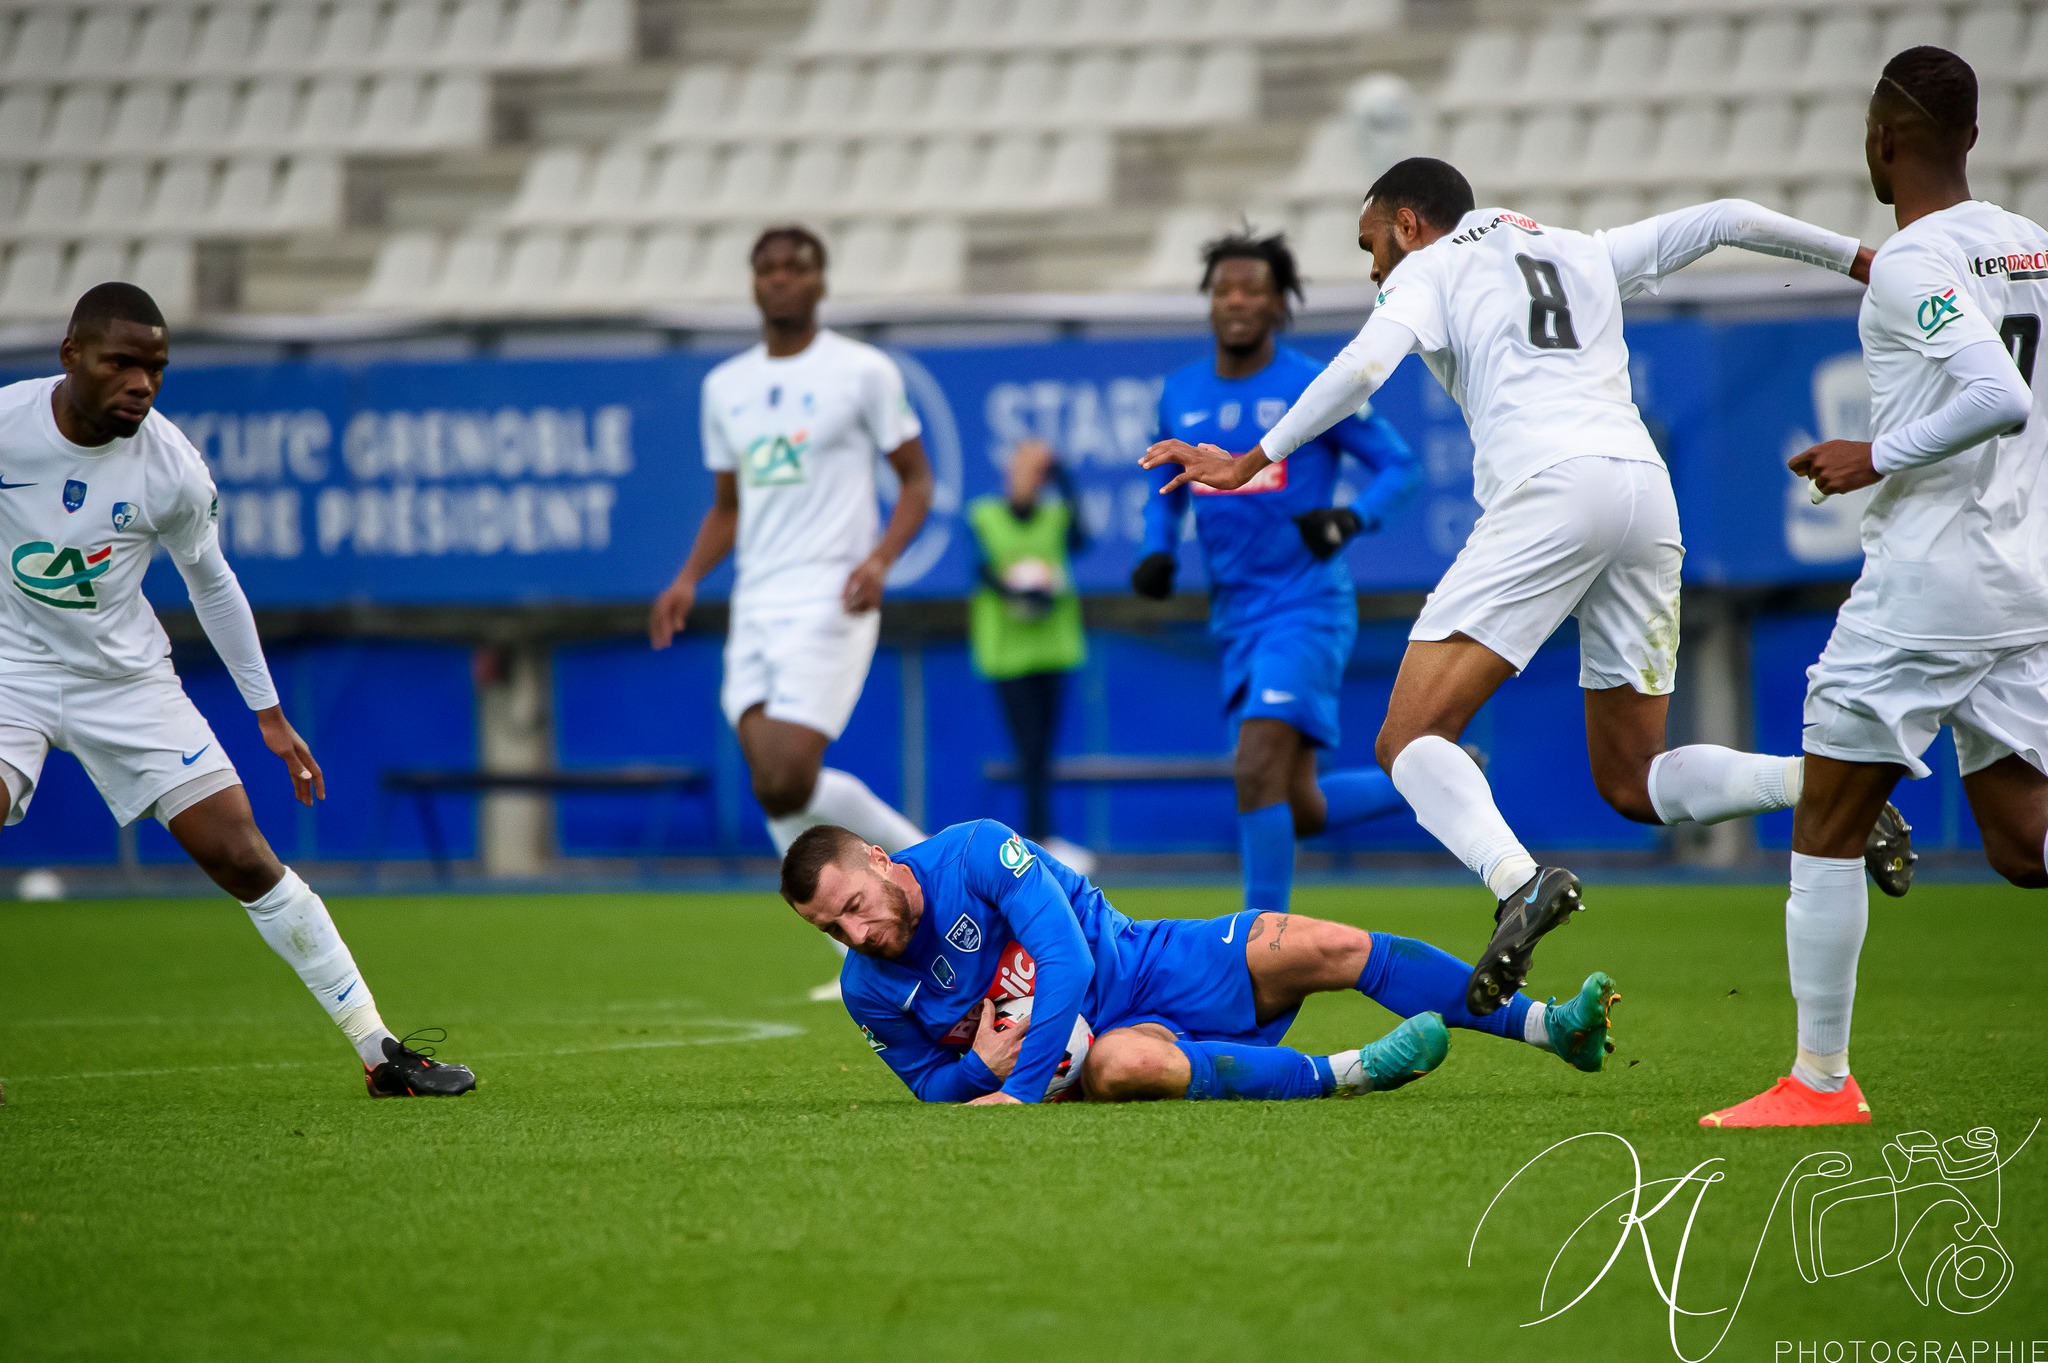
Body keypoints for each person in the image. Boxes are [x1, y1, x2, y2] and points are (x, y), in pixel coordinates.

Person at [1143, 161, 1914, 1020]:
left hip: (1551, 491)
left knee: (1408, 739)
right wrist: (1862, 259)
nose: (1372, 269)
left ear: (1408, 224)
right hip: (1643, 493)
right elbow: (1726, 216)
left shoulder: (1430, 267)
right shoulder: (1580, 249)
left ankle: (1518, 879)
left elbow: (1361, 369)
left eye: (1370, 246)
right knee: (1632, 778)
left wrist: (1249, 460)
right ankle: (1827, 779)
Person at [0, 283, 474, 1098]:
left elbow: (212, 584)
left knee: (242, 855)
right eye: (121, 363)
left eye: (155, 368)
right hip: (12, 668)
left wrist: (270, 716)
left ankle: (380, 1052)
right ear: (70, 353)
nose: (141, 383)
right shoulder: (8, 426)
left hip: (125, 682)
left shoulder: (172, 469)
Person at [1703, 48, 2045, 1129]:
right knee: (2021, 841)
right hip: (2024, 579)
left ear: (1880, 138)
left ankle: (1818, 1081)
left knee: (1827, 816)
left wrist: (1874, 453)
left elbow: (1998, 395)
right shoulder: (2030, 246)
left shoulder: (1913, 262)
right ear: (1972, 137)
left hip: (1932, 583)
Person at [779, 819, 1621, 1105]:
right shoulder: (867, 989)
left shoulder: (973, 852)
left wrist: (1018, 1089)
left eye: (853, 905)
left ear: (881, 860)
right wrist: (979, 1073)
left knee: (1328, 945)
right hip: (1098, 1046)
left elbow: (1066, 960)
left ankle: (1551, 1027)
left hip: (1147, 962)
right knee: (1124, 1067)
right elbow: (928, 1085)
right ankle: (1355, 1071)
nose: (856, 933)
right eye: (832, 928)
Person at [649, 225, 934, 1001]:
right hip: (756, 603)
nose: (780, 278)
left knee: (786, 774)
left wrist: (880, 560)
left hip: (832, 593)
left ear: (819, 281)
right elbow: (729, 505)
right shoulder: (725, 387)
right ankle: (859, 945)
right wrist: (687, 578)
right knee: (776, 788)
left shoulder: (863, 371)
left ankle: (934, 874)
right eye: (767, 268)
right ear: (753, 283)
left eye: (795, 267)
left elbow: (916, 480)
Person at [1133, 228, 1422, 917]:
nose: (1236, 300)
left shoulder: (1313, 383)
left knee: (1255, 766)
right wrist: (1158, 549)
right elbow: (1163, 489)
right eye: (1224, 289)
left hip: (1306, 604)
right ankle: (1441, 776)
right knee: (1296, 803)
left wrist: (1351, 518)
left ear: (1278, 303)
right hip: (1235, 617)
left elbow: (1400, 465)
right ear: (1209, 301)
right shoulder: (1179, 392)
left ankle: (1259, 945)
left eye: (1253, 289)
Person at [967, 436, 1094, 874]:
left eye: (1038, 473)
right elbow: (980, 569)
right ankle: (1036, 838)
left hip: (1053, 649)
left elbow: (1081, 537)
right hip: (1007, 655)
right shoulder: (984, 516)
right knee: (1028, 749)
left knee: (1044, 751)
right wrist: (1019, 593)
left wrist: (1065, 477)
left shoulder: (1056, 516)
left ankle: (1042, 837)